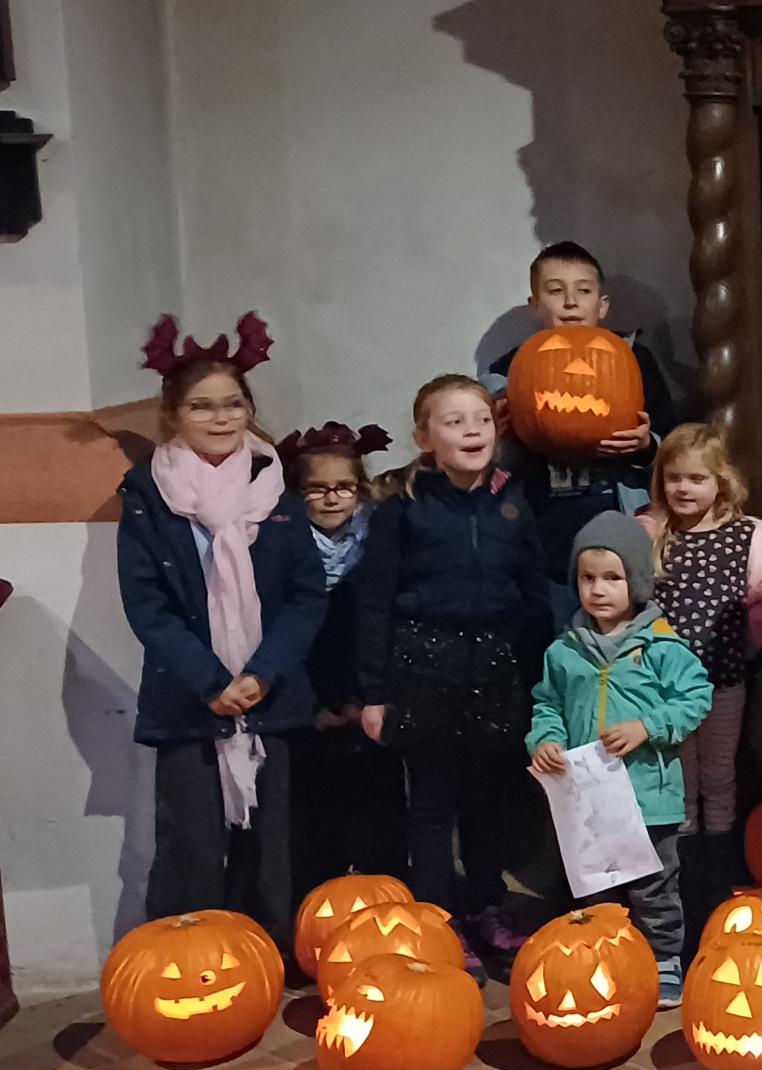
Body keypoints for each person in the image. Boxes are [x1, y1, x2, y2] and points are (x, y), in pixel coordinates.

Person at [118, 314, 326, 954]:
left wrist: (262, 673)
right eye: (201, 406)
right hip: (191, 700)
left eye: (233, 404)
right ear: (173, 415)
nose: (220, 417)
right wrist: (212, 683)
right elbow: (148, 604)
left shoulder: (276, 490)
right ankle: (195, 957)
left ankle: (266, 953)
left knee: (271, 838)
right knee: (195, 840)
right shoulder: (147, 497)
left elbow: (304, 594)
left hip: (269, 695)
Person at [356, 374, 552, 978]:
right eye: (453, 420)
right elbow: (373, 600)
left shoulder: (513, 503)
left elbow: (533, 593)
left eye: (481, 419)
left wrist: (544, 675)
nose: (472, 430)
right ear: (424, 436)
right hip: (424, 665)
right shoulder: (403, 510)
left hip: (495, 668)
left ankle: (488, 906)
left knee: (488, 797)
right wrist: (373, 692)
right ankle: (437, 918)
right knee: (433, 803)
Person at [529, 512, 712, 1008]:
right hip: (589, 798)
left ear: (637, 580)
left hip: (648, 796)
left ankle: (665, 959)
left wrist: (647, 727)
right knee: (598, 888)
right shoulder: (564, 652)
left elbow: (695, 698)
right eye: (587, 578)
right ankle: (608, 959)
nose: (598, 589)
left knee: (655, 886)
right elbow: (547, 704)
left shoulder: (661, 645)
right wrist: (544, 740)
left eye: (613, 577)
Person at [486, 241, 678, 622]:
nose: (570, 302)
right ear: (535, 304)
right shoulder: (506, 370)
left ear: (602, 305)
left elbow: (673, 443)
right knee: (556, 642)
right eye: (556, 291)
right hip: (546, 536)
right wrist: (505, 439)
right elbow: (493, 466)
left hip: (622, 529)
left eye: (584, 291)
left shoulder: (636, 359)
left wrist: (645, 445)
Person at [646, 424, 762, 934]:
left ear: (720, 482)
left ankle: (717, 879)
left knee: (719, 778)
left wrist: (742, 651)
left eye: (696, 478)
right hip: (664, 692)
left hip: (722, 680)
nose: (684, 489)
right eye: (674, 478)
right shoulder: (655, 534)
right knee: (678, 784)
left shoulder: (747, 536)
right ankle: (684, 885)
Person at [277, 421, 408, 888]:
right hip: (309, 708)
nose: (332, 499)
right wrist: (315, 705)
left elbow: (380, 629)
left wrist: (367, 697)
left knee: (380, 810)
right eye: (317, 489)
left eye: (344, 488)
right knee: (314, 818)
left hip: (369, 703)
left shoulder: (377, 549)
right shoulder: (282, 552)